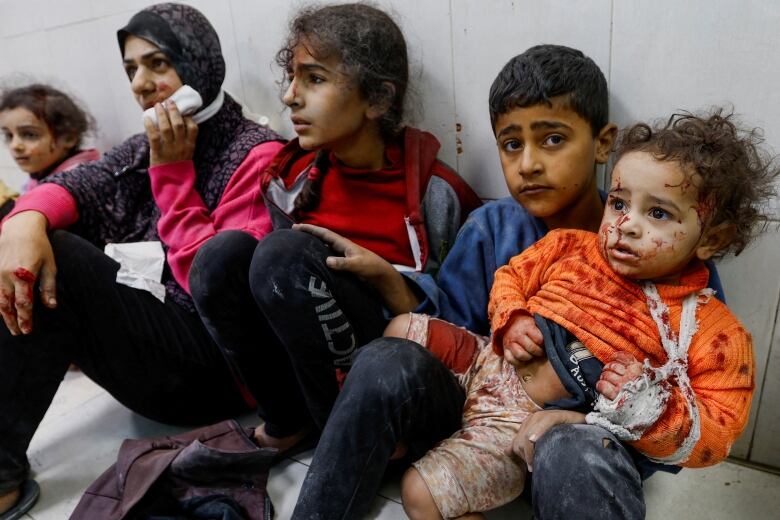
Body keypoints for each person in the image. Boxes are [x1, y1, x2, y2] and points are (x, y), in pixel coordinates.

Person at [292, 45, 725, 519]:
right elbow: (445, 339)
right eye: (511, 144)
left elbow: (689, 402)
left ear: (603, 144)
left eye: (553, 139)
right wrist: (392, 283)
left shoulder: (671, 264)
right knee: (385, 354)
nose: (529, 164)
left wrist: (586, 424)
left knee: (571, 450)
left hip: (574, 433)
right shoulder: (490, 228)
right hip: (479, 417)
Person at [396, 109, 775, 519]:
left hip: (542, 425)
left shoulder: (711, 332)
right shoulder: (573, 249)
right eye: (618, 203)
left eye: (658, 213)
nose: (626, 225)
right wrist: (513, 317)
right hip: (492, 369)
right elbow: (511, 276)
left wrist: (644, 404)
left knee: (421, 492)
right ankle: (404, 438)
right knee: (400, 329)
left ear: (711, 238)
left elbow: (715, 434)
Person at [0, 3, 282, 518]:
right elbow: (75, 185)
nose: (140, 83)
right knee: (33, 236)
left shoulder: (257, 153)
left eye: (157, 64)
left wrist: (172, 174)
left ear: (199, 64)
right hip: (158, 355)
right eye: (131, 69)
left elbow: (213, 290)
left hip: (217, 375)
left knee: (61, 254)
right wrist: (22, 222)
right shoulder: (142, 145)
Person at [188, 2, 481, 457]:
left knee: (283, 254)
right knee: (221, 257)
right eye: (292, 77)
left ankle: (349, 443)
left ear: (378, 99)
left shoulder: (435, 194)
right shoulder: (291, 181)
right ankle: (288, 421)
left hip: (396, 377)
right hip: (316, 374)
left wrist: (386, 279)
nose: (290, 96)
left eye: (315, 79)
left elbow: (460, 330)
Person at [0, 84, 99, 216]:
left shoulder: (79, 182)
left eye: (29, 135)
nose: (15, 145)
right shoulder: (37, 177)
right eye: (9, 135)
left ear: (68, 138)